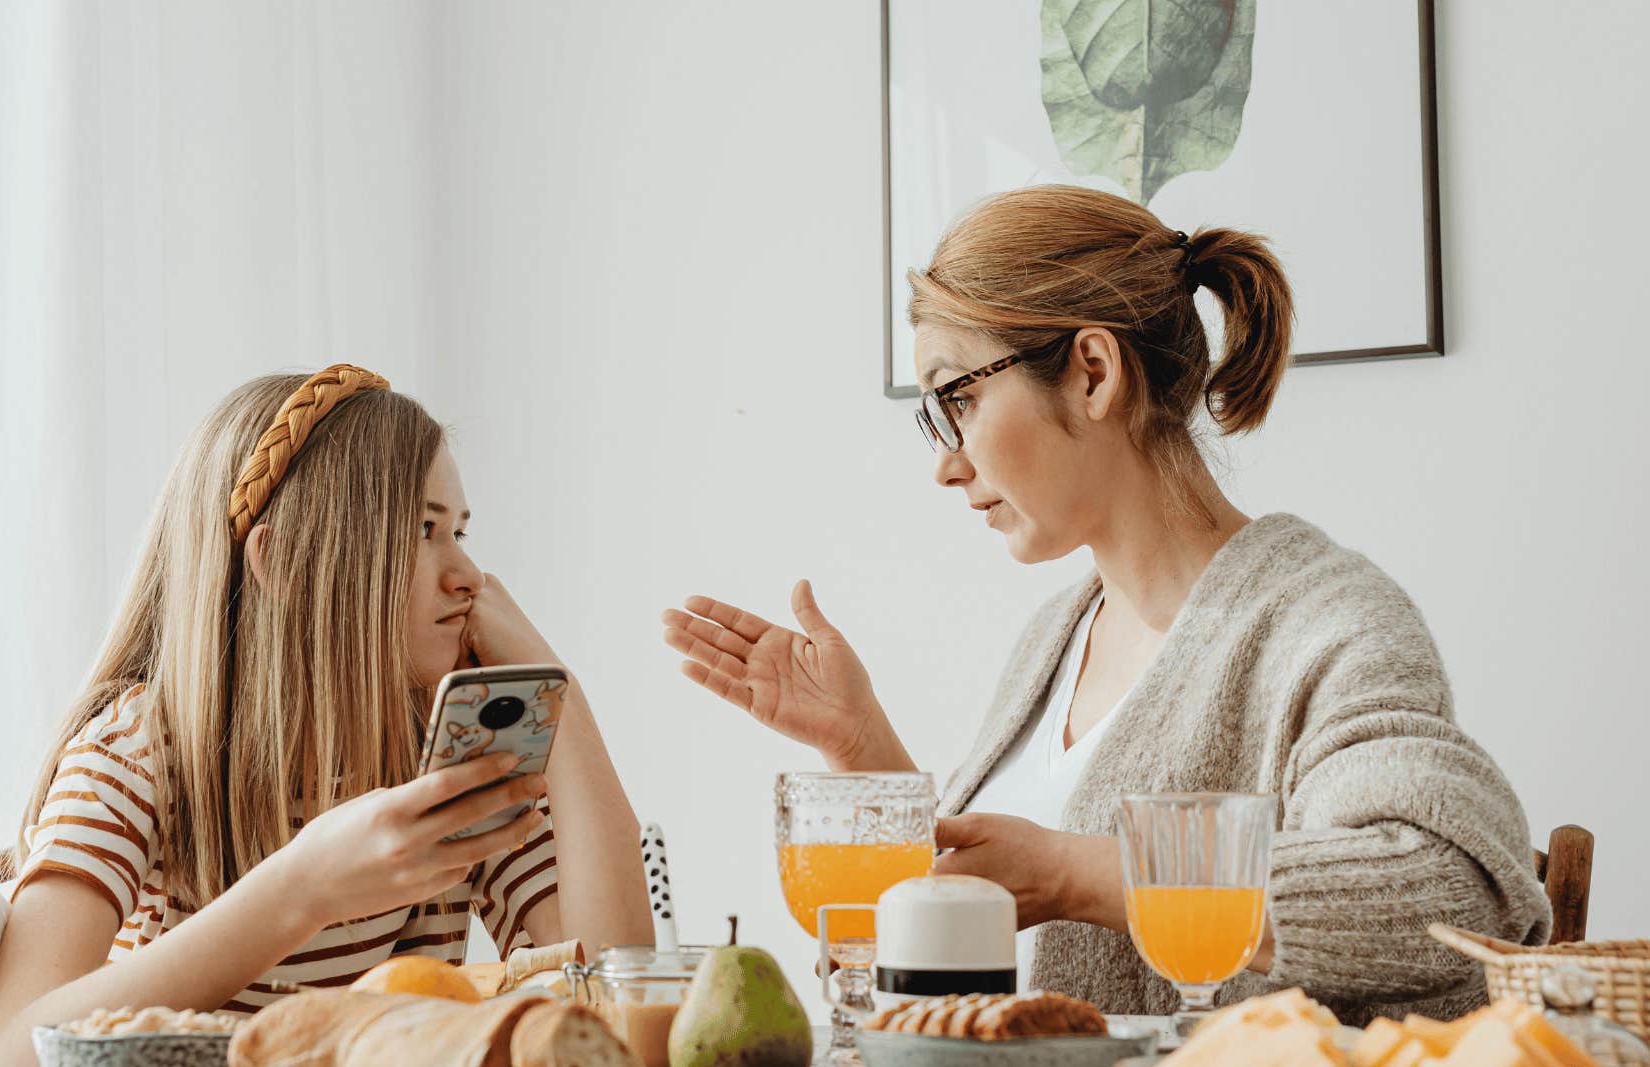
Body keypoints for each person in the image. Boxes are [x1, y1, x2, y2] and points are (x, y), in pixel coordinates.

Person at [663, 186, 1549, 1023]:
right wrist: (861, 748)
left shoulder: (1325, 624)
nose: (945, 459)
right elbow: (985, 917)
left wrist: (1075, 874)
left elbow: (1453, 889)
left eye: (960, 397)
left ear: (1092, 371)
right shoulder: (1057, 635)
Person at [0, 366, 651, 1067]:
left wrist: (560, 697)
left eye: (462, 531)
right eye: (425, 531)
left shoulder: (445, 759)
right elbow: (7, 1062)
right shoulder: (140, 747)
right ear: (282, 560)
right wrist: (304, 887)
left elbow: (618, 1007)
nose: (467, 573)